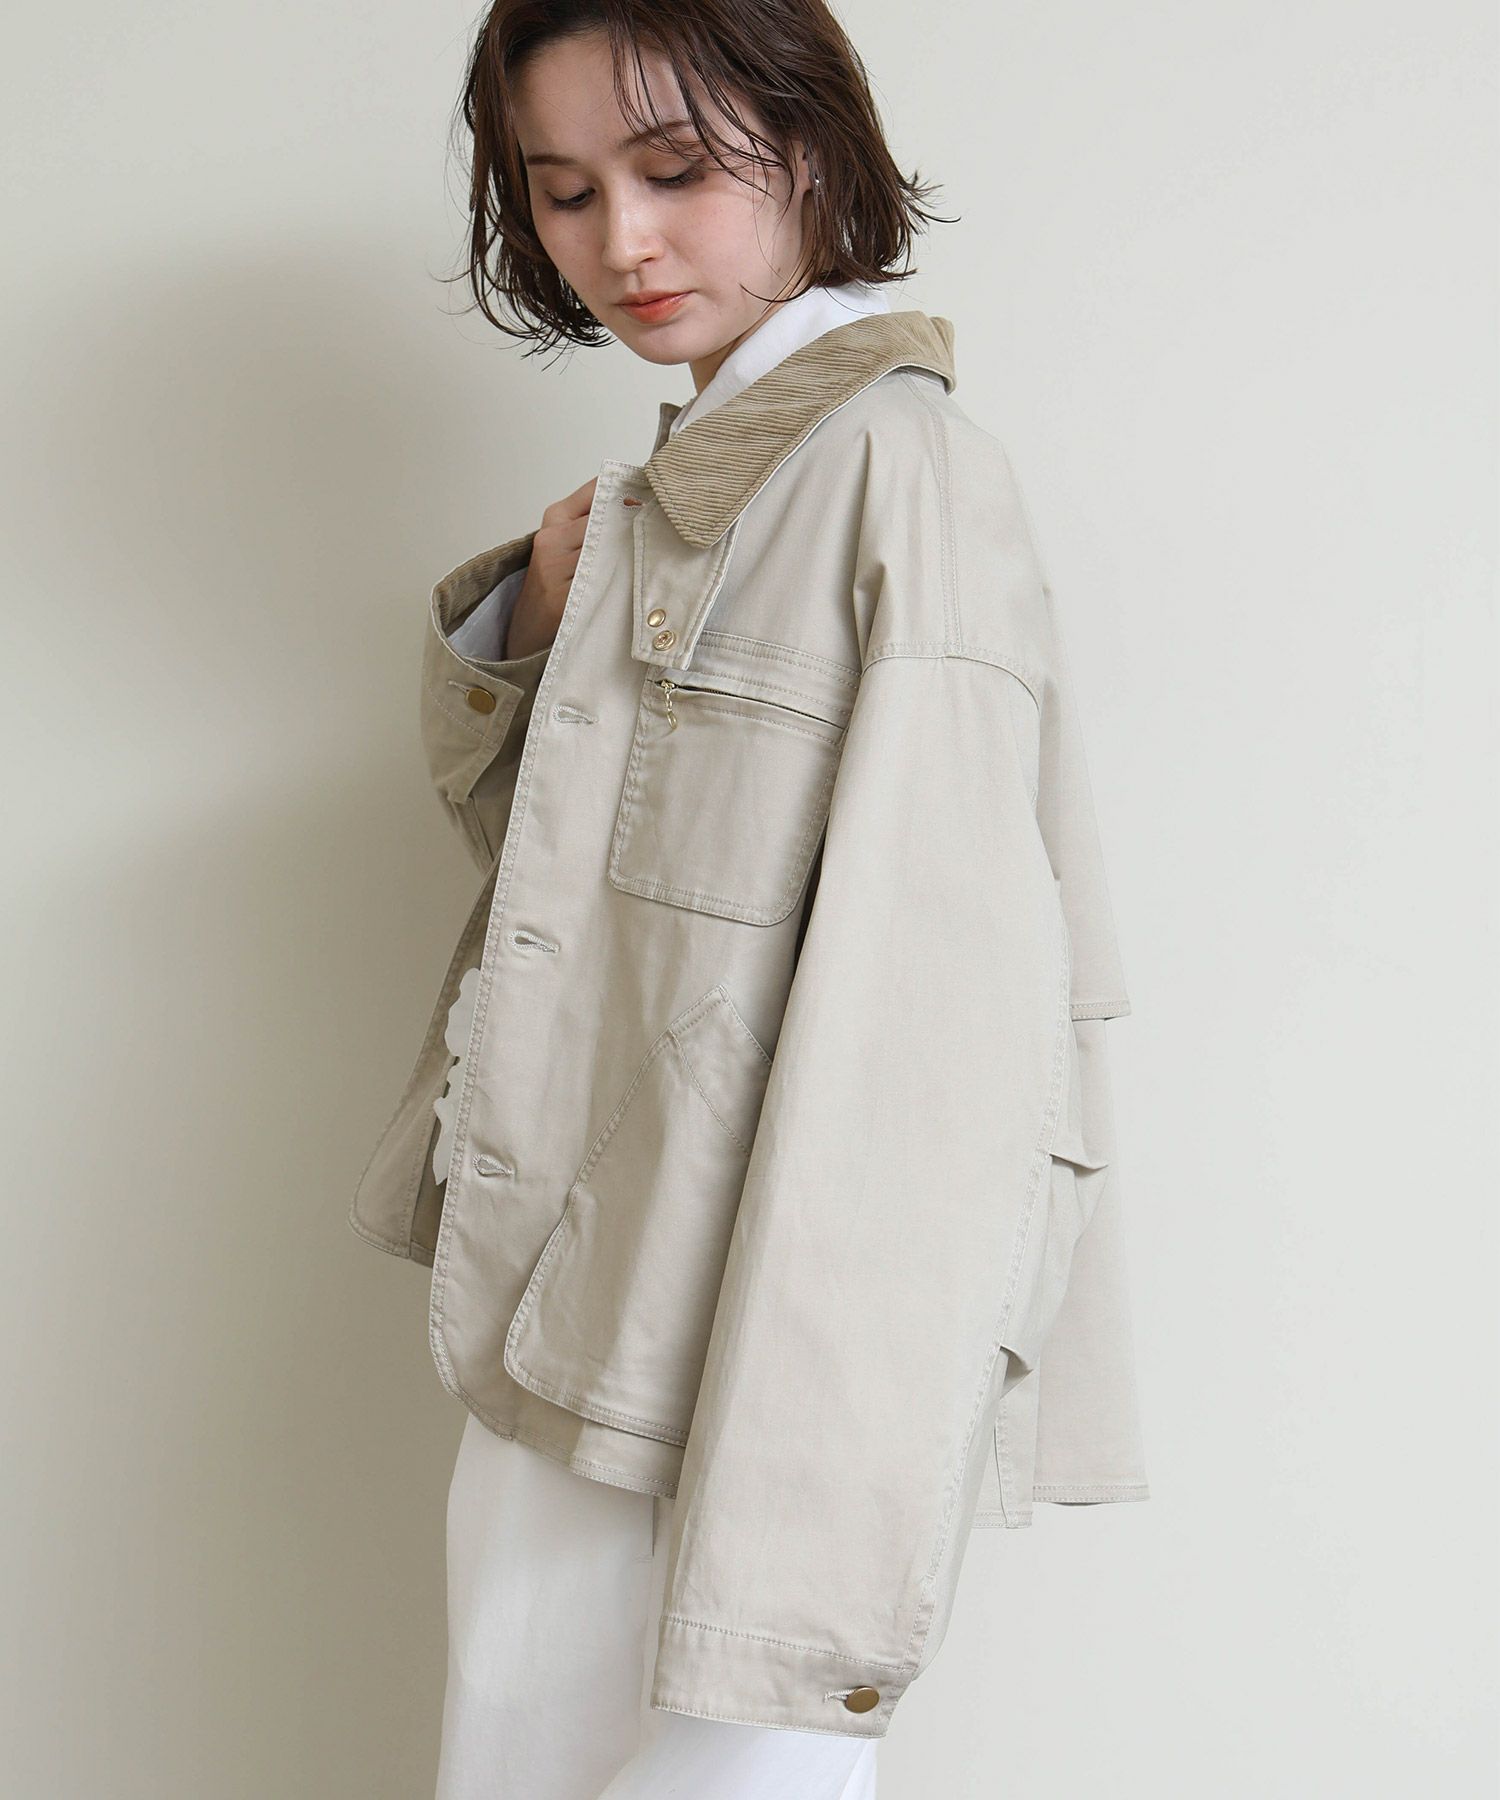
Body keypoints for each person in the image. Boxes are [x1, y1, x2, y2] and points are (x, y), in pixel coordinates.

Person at [348, 3, 1149, 1796]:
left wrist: (818, 1479)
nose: (621, 243)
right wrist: (534, 618)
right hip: (582, 1305)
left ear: (810, 144)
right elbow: (583, 903)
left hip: (762, 1347)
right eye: (565, 192)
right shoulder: (685, 490)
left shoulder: (897, 472)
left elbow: (929, 1035)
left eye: (675, 171)